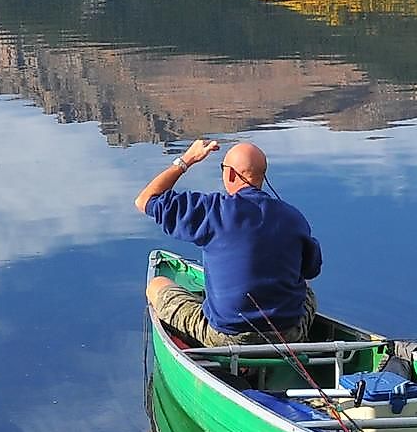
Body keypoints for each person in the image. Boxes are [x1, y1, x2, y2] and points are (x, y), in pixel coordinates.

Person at [137, 138, 322, 347]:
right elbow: (311, 270)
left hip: (225, 338)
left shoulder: (212, 210)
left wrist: (187, 160)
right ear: (263, 175)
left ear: (231, 174)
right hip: (289, 333)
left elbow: (145, 199)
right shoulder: (293, 217)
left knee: (156, 285)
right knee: (304, 284)